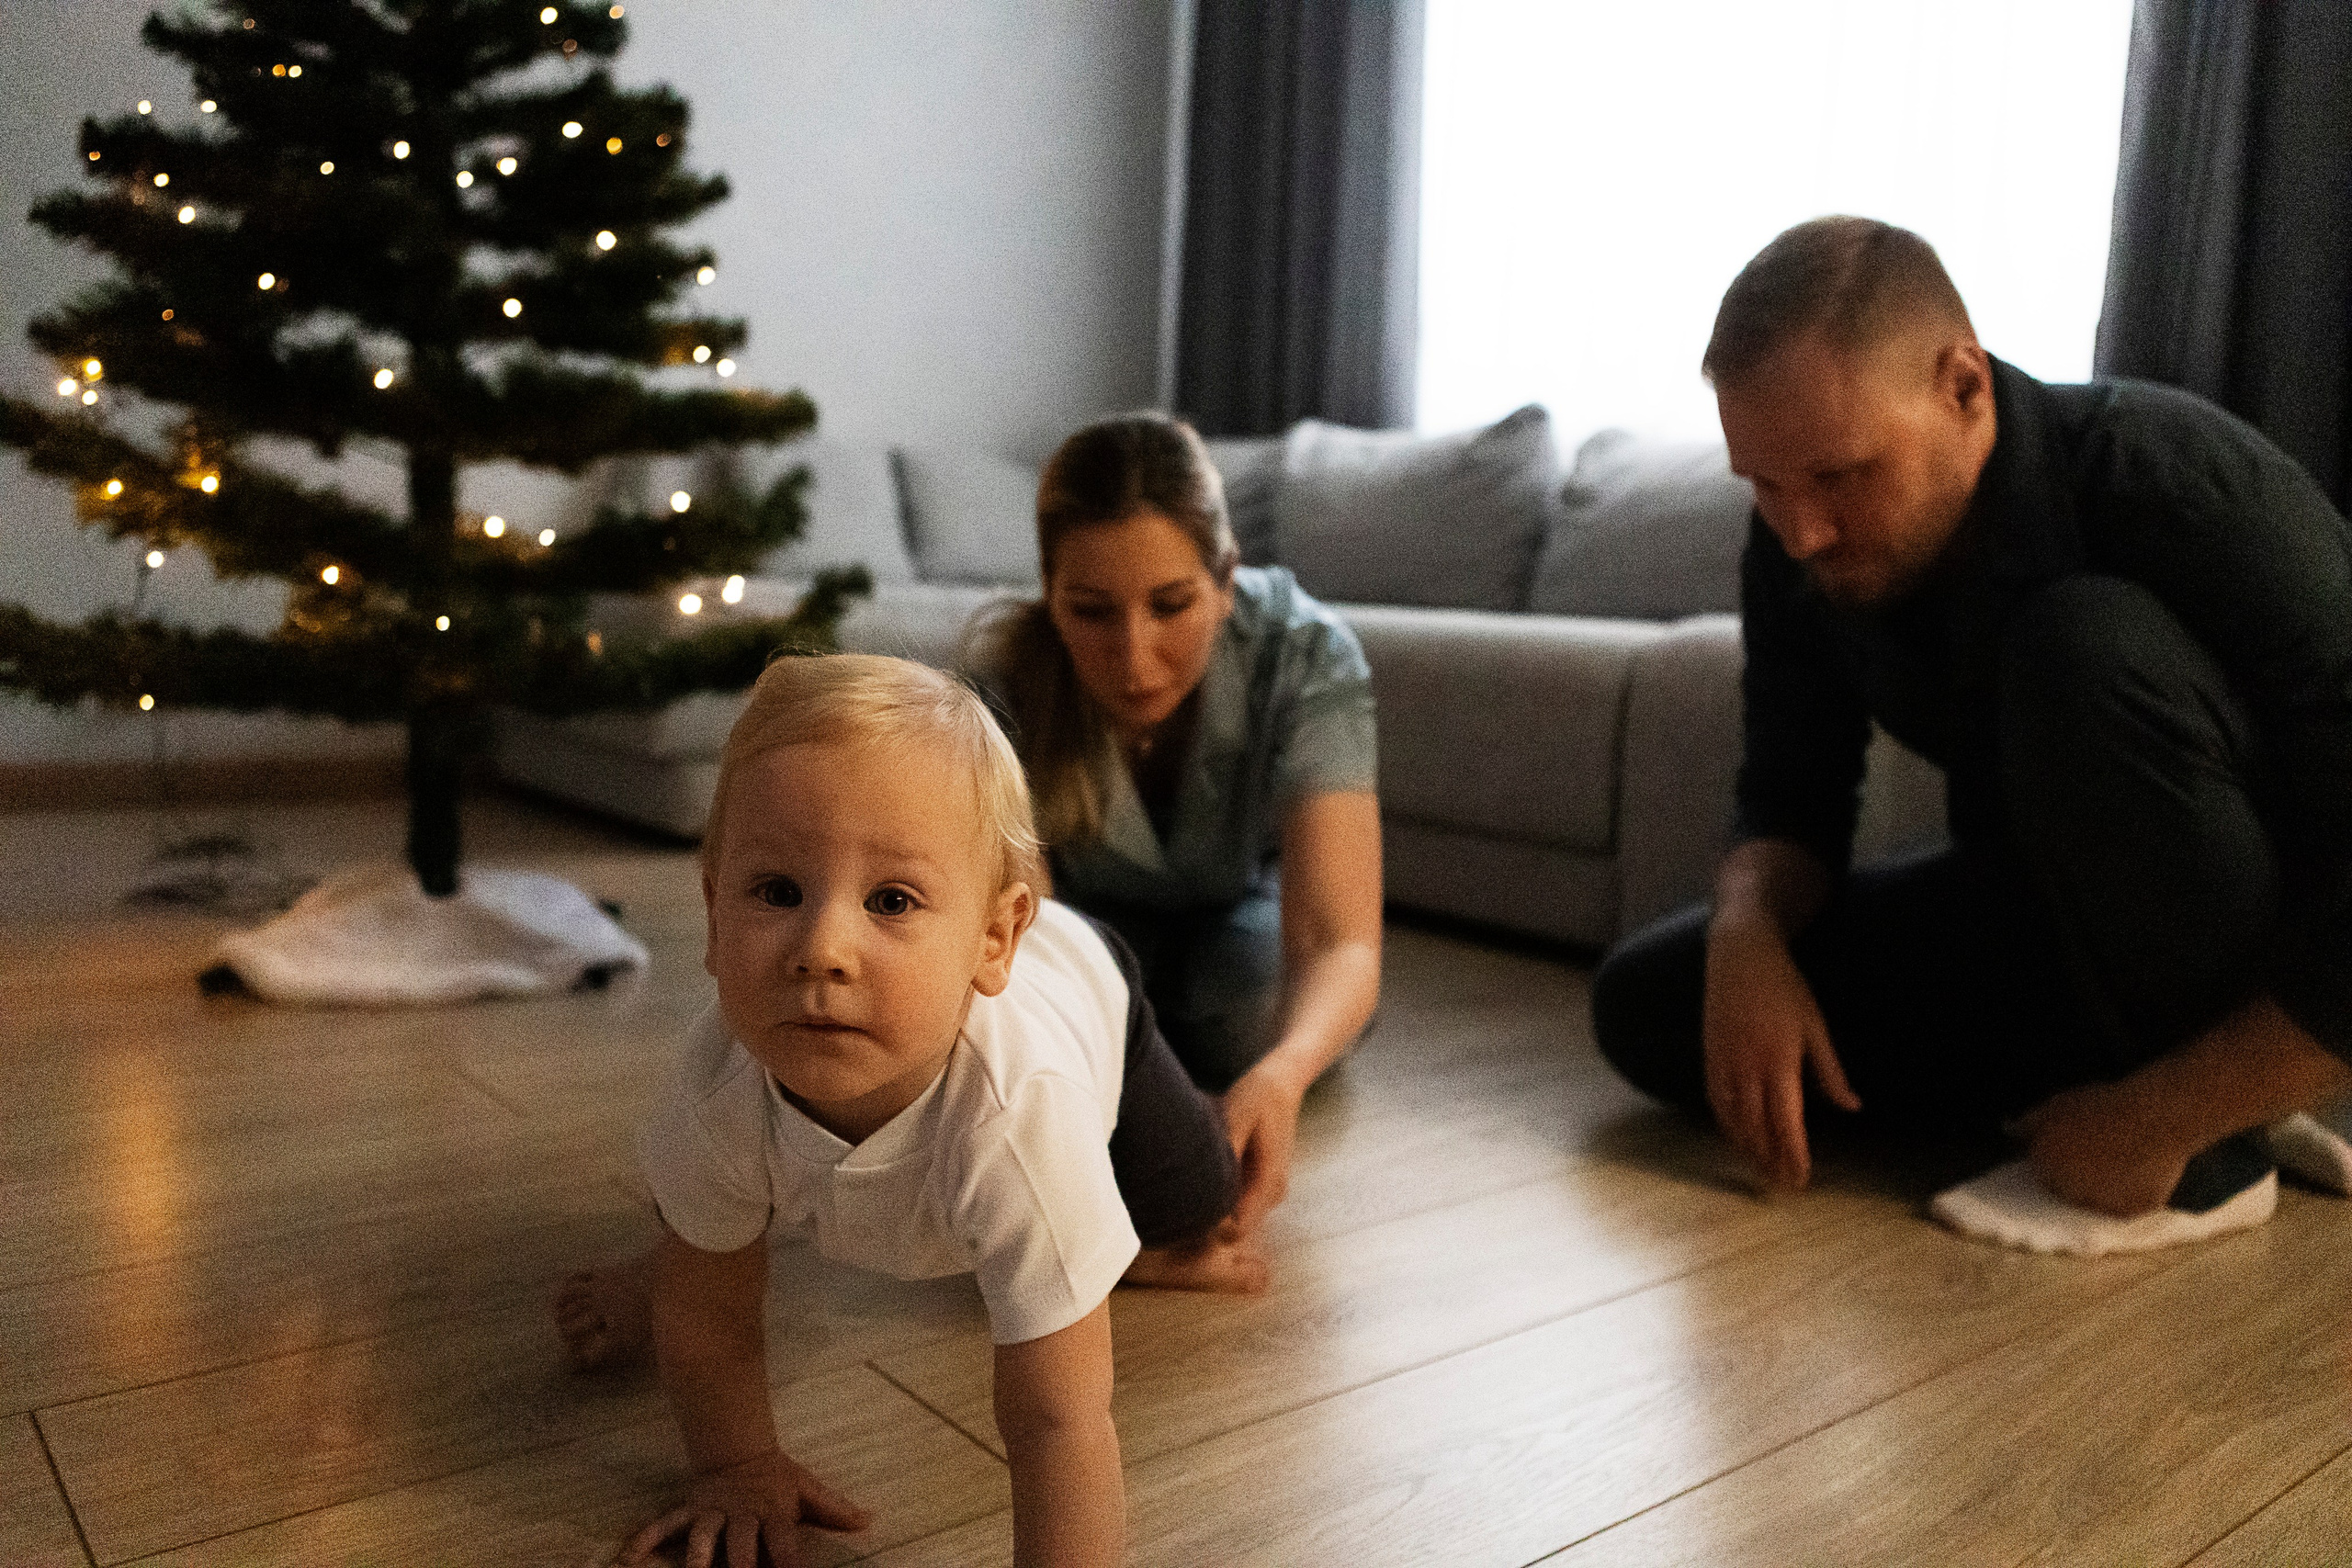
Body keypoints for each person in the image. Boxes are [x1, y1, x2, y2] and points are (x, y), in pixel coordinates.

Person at [1591, 216, 2352, 1255]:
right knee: (1651, 1008)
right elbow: (1791, 794)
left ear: (1963, 387)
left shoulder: (2177, 481)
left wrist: (2168, 1114)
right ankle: (2094, 1101)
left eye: (1839, 476)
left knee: (2074, 644)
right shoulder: (1794, 546)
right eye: (1762, 483)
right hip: (2035, 915)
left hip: (2277, 957)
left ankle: (2214, 1139)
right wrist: (1747, 930)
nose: (1800, 531)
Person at [616, 653, 1256, 1568]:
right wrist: (737, 1466)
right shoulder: (715, 1082)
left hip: (1093, 996)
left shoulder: (1020, 1119)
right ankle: (685, 1235)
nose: (822, 949)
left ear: (994, 939)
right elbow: (709, 1318)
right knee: (701, 1240)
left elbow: (1058, 1418)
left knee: (1198, 1201)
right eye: (777, 892)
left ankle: (1127, 1233)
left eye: (891, 900)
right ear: (715, 916)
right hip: (958, 1156)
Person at [968, 412, 1384, 1242]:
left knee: (1259, 1010)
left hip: (1232, 916)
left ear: (1227, 578)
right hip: (1077, 923)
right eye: (1091, 611)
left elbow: (1342, 940)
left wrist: (1284, 1074)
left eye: (1172, 605)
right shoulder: (1002, 679)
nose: (1134, 658)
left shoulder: (1307, 653)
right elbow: (1026, 953)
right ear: (1049, 592)